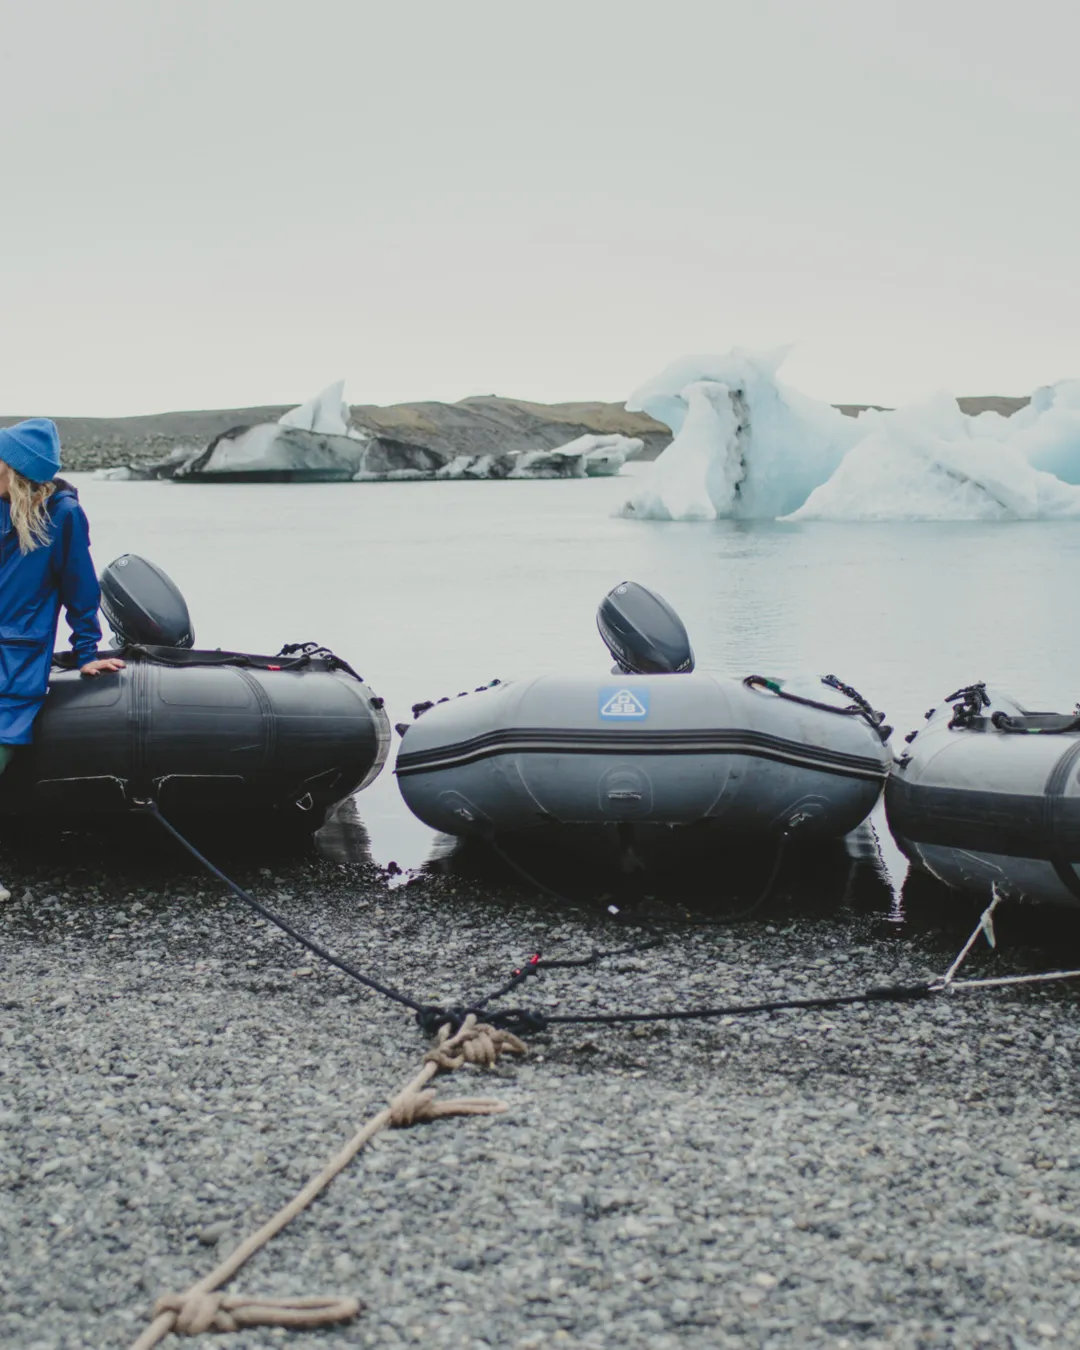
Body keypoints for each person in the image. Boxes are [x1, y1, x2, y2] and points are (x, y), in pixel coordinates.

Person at [0, 417, 125, 898]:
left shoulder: (63, 515)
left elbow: (80, 586)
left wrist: (88, 650)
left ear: (16, 469)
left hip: (15, 661)